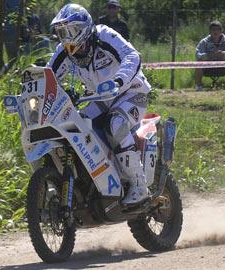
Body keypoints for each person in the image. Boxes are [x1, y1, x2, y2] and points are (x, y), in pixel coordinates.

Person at [48, 4, 150, 205]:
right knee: (75, 126)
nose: (67, 37)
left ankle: (139, 184)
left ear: (84, 28)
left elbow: (132, 56)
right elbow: (48, 76)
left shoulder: (105, 36)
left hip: (131, 92)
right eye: (62, 32)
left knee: (115, 124)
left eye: (71, 30)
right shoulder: (65, 52)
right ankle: (92, 181)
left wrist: (119, 80)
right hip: (98, 100)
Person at [195, 20, 225, 91]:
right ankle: (199, 86)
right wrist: (208, 55)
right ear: (210, 31)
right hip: (207, 68)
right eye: (213, 29)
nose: (215, 31)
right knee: (199, 62)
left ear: (221, 31)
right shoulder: (204, 42)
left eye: (218, 29)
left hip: (223, 68)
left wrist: (223, 54)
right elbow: (197, 55)